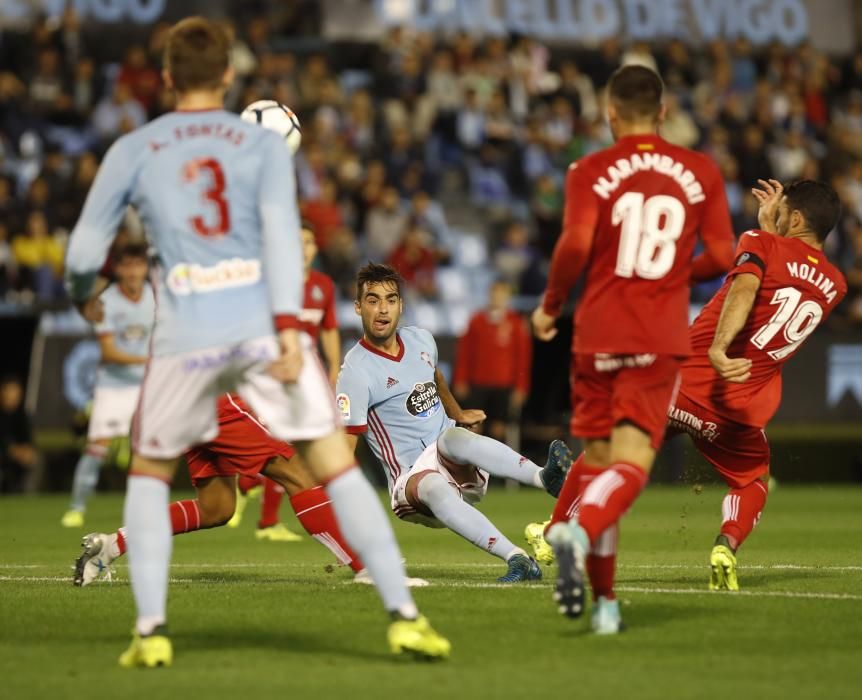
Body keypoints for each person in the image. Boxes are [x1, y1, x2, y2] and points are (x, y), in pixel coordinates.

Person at [64, 17, 449, 668]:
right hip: (233, 349)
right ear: (228, 77)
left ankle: (138, 605)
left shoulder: (134, 149)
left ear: (164, 78)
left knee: (211, 503)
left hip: (171, 353)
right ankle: (391, 600)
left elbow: (80, 255)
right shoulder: (261, 151)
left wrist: (85, 297)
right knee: (311, 466)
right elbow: (277, 241)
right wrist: (287, 330)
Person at [527, 179, 847, 598]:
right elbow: (789, 278)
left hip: (683, 385)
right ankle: (726, 547)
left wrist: (718, 345)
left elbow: (749, 287)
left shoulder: (758, 242)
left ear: (797, 218)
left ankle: (556, 532)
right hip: (738, 408)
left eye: (784, 210)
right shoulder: (835, 284)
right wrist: (774, 230)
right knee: (752, 480)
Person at [530, 65, 735, 634]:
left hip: (596, 334)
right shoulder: (699, 170)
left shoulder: (589, 169)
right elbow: (722, 254)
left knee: (598, 465)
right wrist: (671, 273)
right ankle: (578, 531)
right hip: (656, 336)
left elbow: (573, 242)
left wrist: (550, 304)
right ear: (664, 112)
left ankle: (607, 606)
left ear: (609, 113)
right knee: (630, 469)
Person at [336, 263, 571, 583]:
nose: (382, 309)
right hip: (411, 482)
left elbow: (434, 374)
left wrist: (457, 413)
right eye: (373, 300)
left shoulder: (421, 340)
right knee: (433, 481)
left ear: (401, 305)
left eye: (390, 300)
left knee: (454, 438)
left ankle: (545, 478)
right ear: (358, 307)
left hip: (453, 460)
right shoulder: (355, 371)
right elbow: (347, 445)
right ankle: (517, 558)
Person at [74, 393, 428, 588]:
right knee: (300, 475)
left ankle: (112, 544)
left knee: (217, 508)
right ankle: (367, 568)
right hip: (215, 398)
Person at [229, 222, 343, 541]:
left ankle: (252, 491)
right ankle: (260, 508)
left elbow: (330, 329)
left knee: (291, 448)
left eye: (308, 241)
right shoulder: (274, 286)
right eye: (297, 242)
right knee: (284, 448)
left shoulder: (323, 286)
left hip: (307, 380)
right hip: (274, 376)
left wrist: (334, 367)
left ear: (315, 249)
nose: (303, 247)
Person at [61, 244, 153, 528]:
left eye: (139, 265)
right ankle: (76, 508)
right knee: (98, 446)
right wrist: (148, 359)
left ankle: (144, 511)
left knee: (151, 449)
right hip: (114, 386)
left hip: (147, 386)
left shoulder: (154, 296)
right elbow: (109, 352)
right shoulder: (106, 302)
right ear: (118, 270)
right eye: (127, 265)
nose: (134, 271)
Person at [453, 280, 532, 443]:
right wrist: (460, 379)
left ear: (507, 297)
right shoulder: (476, 321)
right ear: (489, 295)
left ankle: (497, 467)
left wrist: (521, 386)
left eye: (502, 294)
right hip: (478, 383)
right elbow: (464, 353)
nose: (498, 297)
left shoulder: (516, 323)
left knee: (499, 428)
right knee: (474, 427)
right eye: (495, 293)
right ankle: (472, 466)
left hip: (503, 386)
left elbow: (523, 358)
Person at [0, 376, 38, 493]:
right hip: (4, 454)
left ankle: (27, 495)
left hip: (17, 456)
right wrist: (12, 450)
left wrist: (26, 451)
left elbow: (29, 440)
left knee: (35, 458)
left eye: (15, 391)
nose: (12, 395)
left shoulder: (22, 415)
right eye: (9, 391)